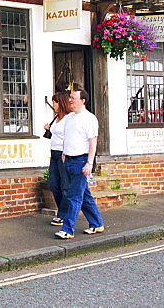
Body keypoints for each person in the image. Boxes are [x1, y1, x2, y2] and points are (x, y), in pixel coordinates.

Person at [55, 89, 104, 239]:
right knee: (84, 195)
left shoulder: (89, 118)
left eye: (73, 98)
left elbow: (92, 142)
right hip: (68, 159)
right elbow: (67, 137)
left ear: (83, 101)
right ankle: (97, 224)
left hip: (81, 161)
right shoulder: (69, 118)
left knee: (74, 196)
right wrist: (64, 152)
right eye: (70, 98)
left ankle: (67, 230)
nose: (70, 100)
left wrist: (90, 163)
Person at [44, 90, 73, 227]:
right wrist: (48, 128)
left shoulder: (70, 118)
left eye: (55, 101)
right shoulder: (57, 117)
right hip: (54, 153)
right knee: (53, 184)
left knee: (65, 186)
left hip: (64, 154)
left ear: (61, 102)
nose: (53, 104)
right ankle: (63, 211)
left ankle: (63, 214)